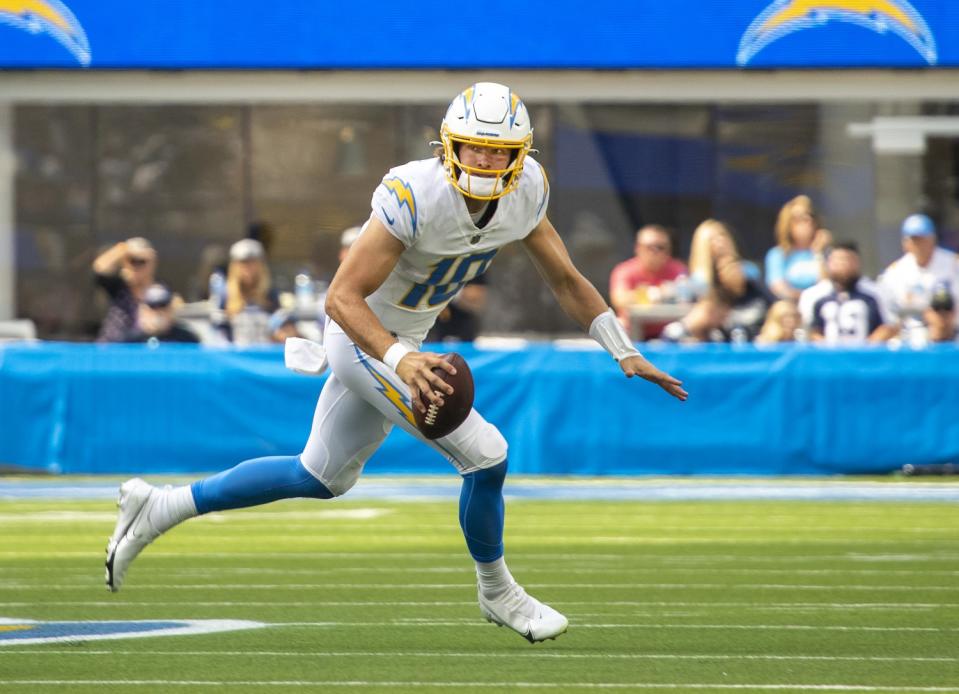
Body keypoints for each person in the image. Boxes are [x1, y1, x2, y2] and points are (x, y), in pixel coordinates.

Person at [104, 82, 687, 644]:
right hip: (366, 335)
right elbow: (340, 297)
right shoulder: (414, 193)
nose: (485, 160)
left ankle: (159, 506)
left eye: (499, 150)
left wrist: (623, 348)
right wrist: (401, 357)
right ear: (449, 145)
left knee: (318, 476)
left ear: (520, 156)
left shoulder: (527, 190)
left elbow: (564, 277)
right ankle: (498, 592)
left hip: (405, 337)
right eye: (474, 146)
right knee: (487, 458)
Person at [663, 220, 773, 342]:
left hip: (746, 328)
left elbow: (765, 300)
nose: (720, 242)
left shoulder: (747, 271)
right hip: (707, 334)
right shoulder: (695, 280)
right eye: (712, 239)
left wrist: (738, 282)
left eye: (722, 235)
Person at [878, 214, 959, 334]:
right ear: (905, 244)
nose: (920, 245)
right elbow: (891, 315)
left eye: (924, 239)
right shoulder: (895, 273)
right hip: (912, 335)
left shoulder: (953, 264)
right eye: (914, 240)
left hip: (953, 333)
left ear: (933, 239)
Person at [809, 242, 897, 345]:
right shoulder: (817, 296)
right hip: (830, 358)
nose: (843, 264)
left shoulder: (874, 295)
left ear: (857, 262)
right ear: (829, 263)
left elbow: (887, 327)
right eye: (838, 260)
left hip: (864, 357)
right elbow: (814, 332)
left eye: (847, 260)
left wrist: (866, 348)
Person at [609, 224, 688, 338]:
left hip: (669, 335)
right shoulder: (625, 270)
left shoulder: (678, 269)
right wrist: (654, 294)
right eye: (649, 247)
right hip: (633, 333)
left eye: (660, 247)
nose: (655, 252)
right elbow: (619, 300)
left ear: (669, 250)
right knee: (616, 326)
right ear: (638, 248)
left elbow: (690, 297)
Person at [211, 238, 280, 345]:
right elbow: (219, 330)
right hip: (237, 357)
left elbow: (279, 327)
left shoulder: (270, 293)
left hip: (265, 355)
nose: (247, 268)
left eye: (252, 262)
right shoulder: (225, 294)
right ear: (234, 266)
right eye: (243, 263)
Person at [764, 195, 832, 301]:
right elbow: (778, 287)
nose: (807, 221)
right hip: (791, 307)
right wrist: (806, 298)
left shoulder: (825, 252)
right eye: (799, 218)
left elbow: (826, 286)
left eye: (810, 216)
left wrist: (819, 252)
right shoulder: (777, 254)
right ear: (788, 224)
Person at [92, 237, 158, 343]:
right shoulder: (119, 287)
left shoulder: (160, 292)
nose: (137, 266)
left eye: (141, 262)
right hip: (112, 347)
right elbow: (100, 268)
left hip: (142, 350)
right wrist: (124, 249)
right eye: (132, 261)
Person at [124, 283, 199, 344]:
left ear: (171, 310)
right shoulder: (130, 342)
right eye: (152, 306)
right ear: (143, 310)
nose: (158, 312)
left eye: (162, 306)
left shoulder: (186, 340)